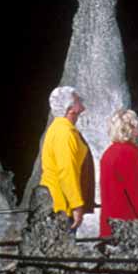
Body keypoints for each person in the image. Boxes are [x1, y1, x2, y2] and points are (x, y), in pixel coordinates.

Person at [39, 86, 93, 230]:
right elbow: (67, 171)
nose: (81, 100)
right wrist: (76, 205)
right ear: (70, 108)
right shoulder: (64, 133)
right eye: (77, 99)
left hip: (58, 203)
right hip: (61, 206)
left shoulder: (61, 129)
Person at [98, 108, 138, 237]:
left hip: (109, 223)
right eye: (135, 126)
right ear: (128, 129)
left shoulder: (108, 153)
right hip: (128, 225)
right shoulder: (129, 154)